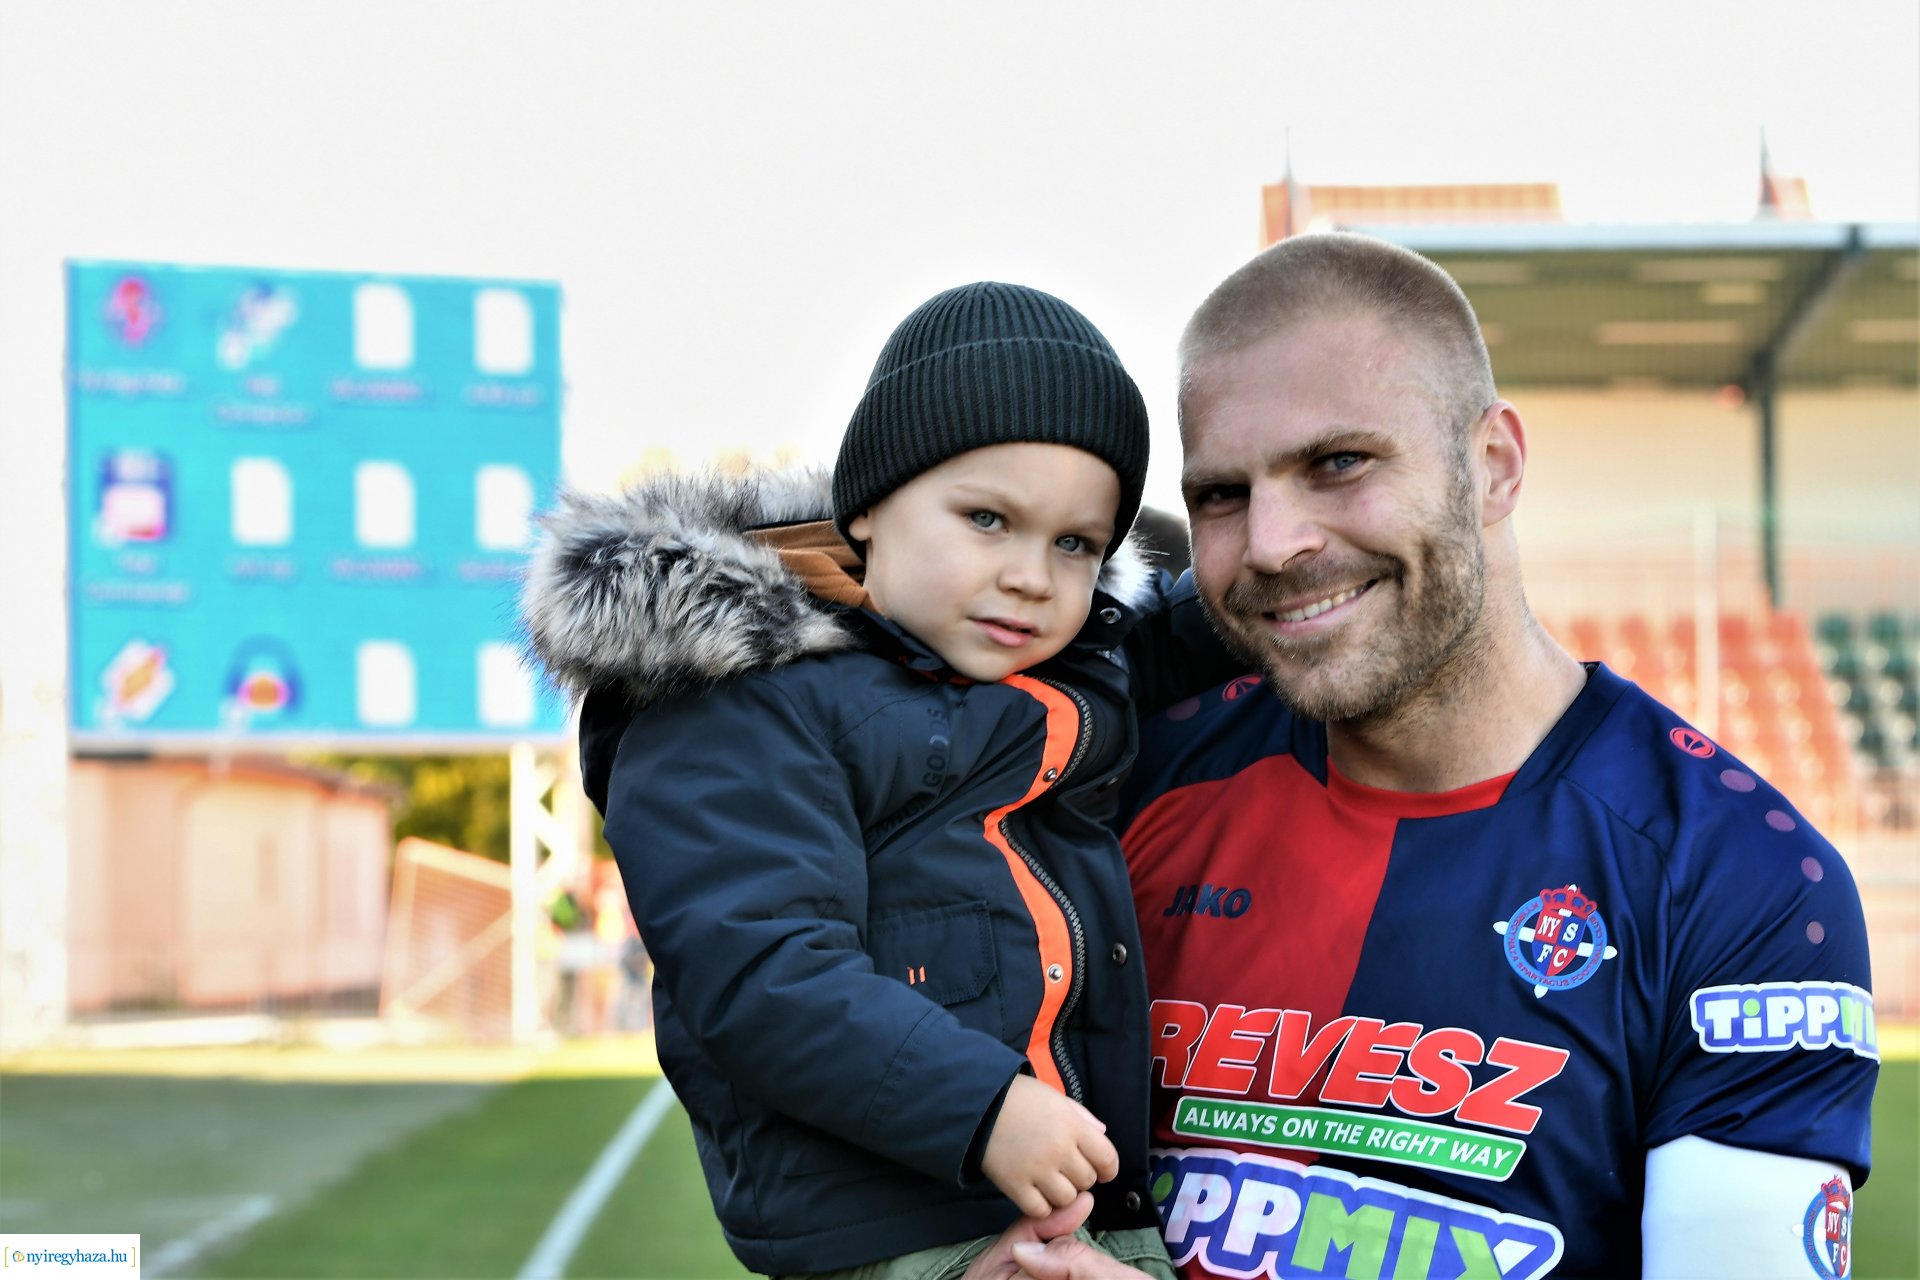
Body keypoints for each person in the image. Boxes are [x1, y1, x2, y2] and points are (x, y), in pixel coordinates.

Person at [980, 233, 1877, 1280]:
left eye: (1338, 463)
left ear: (1493, 464)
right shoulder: (1120, 782)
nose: (1272, 541)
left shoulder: (1742, 878)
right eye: (1222, 492)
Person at [520, 283, 1235, 1279]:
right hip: (901, 1225)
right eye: (988, 518)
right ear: (868, 508)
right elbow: (764, 972)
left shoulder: (1060, 669)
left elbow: (1209, 614)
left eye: (1075, 542)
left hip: (1069, 1198)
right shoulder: (743, 695)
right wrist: (982, 1106)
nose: (1033, 573)